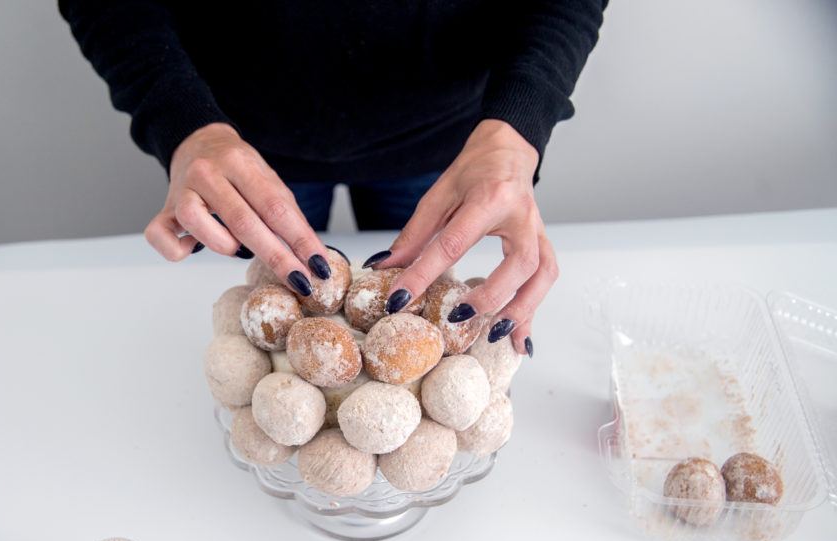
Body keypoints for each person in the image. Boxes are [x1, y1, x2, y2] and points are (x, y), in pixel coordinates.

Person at [59, 1, 607, 356]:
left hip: (447, 144)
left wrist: (518, 128)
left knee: (421, 319)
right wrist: (181, 122)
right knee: (279, 328)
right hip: (246, 152)